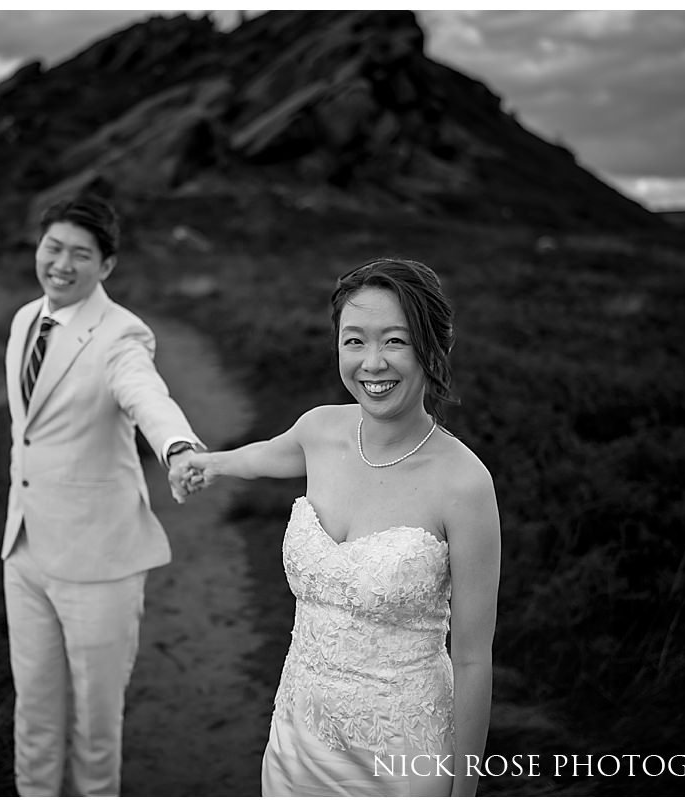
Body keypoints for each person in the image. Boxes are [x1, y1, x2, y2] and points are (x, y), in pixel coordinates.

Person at [179, 257, 500, 796]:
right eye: (354, 341)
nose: (372, 363)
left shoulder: (464, 485)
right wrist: (208, 464)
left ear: (432, 347)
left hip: (400, 760)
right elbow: (267, 456)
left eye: (394, 340)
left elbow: (472, 658)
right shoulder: (320, 430)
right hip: (295, 742)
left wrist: (461, 793)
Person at [0, 194, 204, 796]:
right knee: (32, 715)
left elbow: (146, 395)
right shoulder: (22, 321)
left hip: (99, 561)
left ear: (106, 266)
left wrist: (177, 447)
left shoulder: (121, 334)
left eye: (80, 255)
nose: (61, 265)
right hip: (24, 548)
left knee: (95, 731)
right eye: (53, 248)